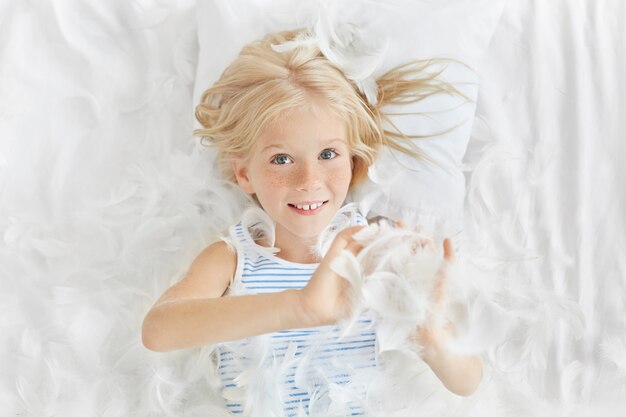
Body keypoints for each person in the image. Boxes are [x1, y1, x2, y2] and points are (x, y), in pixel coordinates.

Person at [142, 28, 482, 416]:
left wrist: (433, 341)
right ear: (244, 174)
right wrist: (301, 307)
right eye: (281, 159)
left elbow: (468, 382)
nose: (308, 182)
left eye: (327, 153)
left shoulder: (374, 254)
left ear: (352, 159)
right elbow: (158, 330)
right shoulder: (234, 258)